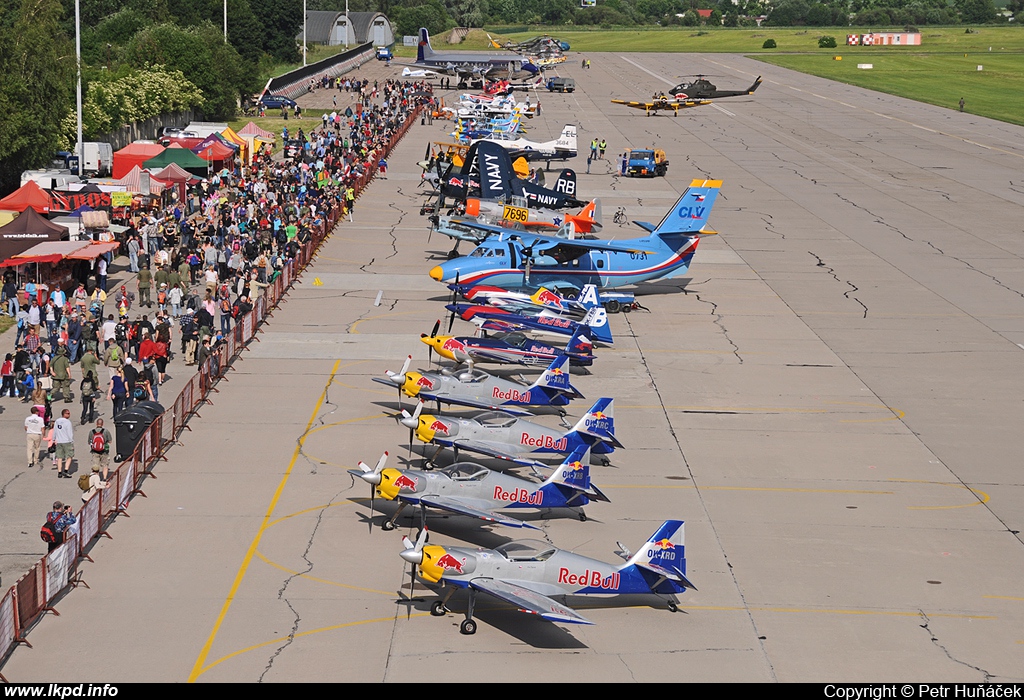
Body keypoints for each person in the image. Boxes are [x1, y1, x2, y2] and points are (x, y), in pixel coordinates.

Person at [53, 408, 75, 479]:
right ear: (64, 414)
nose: (69, 414)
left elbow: (55, 430)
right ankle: (65, 470)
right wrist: (71, 441)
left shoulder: (57, 421)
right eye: (67, 413)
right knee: (69, 456)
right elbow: (69, 433)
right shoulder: (67, 422)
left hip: (59, 441)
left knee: (59, 457)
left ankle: (59, 472)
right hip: (67, 441)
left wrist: (54, 439)